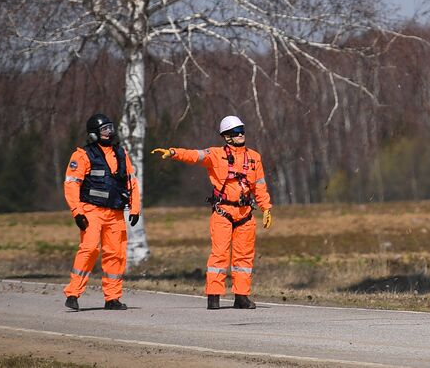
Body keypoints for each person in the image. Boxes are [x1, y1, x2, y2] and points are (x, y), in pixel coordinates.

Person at [153, 114, 273, 310]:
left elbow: (260, 186)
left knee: (244, 258)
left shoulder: (254, 158)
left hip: (245, 214)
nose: (241, 134)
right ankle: (214, 297)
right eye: (236, 132)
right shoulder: (216, 154)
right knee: (219, 255)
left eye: (242, 130)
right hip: (223, 212)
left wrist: (266, 208)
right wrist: (174, 152)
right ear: (226, 137)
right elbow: (195, 155)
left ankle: (241, 297)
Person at [62, 112, 141, 311]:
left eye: (110, 128)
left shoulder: (121, 153)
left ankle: (112, 298)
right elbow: (71, 185)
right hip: (91, 210)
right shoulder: (82, 155)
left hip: (115, 212)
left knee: (116, 254)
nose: (109, 132)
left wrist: (135, 207)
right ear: (94, 134)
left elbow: (131, 181)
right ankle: (73, 293)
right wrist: (77, 212)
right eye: (104, 129)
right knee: (89, 249)